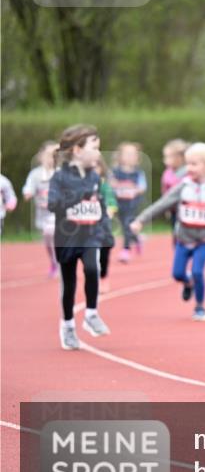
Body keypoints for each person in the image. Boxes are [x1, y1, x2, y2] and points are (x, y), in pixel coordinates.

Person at [132, 143, 205, 322]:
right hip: (183, 238)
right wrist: (141, 220)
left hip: (203, 240)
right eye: (187, 164)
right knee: (178, 274)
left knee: (198, 272)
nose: (189, 168)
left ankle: (199, 307)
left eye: (194, 164)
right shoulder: (183, 187)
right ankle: (187, 283)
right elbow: (162, 204)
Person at [47, 125, 112, 350]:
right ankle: (68, 326)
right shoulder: (59, 177)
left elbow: (100, 206)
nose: (99, 154)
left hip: (90, 235)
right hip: (67, 238)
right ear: (77, 150)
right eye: (95, 148)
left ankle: (91, 314)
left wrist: (106, 231)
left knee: (92, 269)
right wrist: (78, 197)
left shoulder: (94, 176)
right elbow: (53, 205)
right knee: (70, 284)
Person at [22, 141, 59, 277]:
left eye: (56, 155)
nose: (52, 158)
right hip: (42, 214)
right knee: (48, 239)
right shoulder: (36, 174)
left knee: (54, 233)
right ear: (41, 156)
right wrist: (28, 193)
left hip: (59, 214)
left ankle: (62, 262)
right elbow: (28, 187)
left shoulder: (61, 172)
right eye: (49, 155)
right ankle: (54, 262)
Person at [111, 142, 147, 262]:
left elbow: (143, 187)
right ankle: (137, 239)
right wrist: (114, 186)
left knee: (127, 224)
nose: (130, 156)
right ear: (120, 156)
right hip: (119, 203)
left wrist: (135, 190)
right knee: (125, 225)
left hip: (132, 203)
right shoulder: (115, 172)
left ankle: (125, 250)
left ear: (137, 157)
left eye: (133, 154)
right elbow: (109, 185)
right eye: (127, 154)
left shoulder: (138, 173)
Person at [94, 157, 117, 294]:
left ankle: (103, 276)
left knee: (104, 253)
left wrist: (110, 209)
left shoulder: (104, 186)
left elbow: (111, 200)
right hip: (87, 227)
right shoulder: (81, 185)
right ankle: (93, 277)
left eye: (97, 166)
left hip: (103, 226)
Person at [161, 139, 189, 246]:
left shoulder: (189, 172)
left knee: (187, 234)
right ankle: (178, 253)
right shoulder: (167, 173)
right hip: (174, 210)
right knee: (175, 233)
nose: (165, 160)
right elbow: (165, 191)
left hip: (187, 209)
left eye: (168, 157)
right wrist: (166, 207)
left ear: (180, 157)